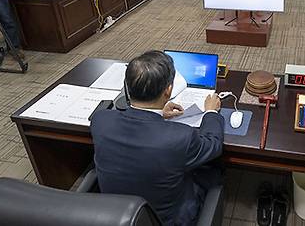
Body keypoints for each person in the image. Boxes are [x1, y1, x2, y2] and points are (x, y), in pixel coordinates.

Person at [91, 50, 223, 226]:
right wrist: (211, 112)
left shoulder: (100, 121)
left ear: (128, 88)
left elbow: (132, 125)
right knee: (214, 172)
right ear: (168, 91)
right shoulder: (180, 137)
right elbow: (213, 145)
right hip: (168, 220)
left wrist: (158, 115)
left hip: (118, 215)